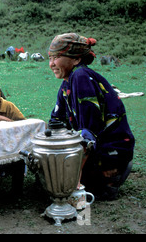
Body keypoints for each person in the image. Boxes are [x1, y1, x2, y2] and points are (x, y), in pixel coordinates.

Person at [48, 33, 135, 200]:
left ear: (75, 59)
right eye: (50, 58)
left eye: (57, 57)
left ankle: (113, 174)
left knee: (65, 185)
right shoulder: (66, 84)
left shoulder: (81, 77)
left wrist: (74, 180)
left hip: (109, 151)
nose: (51, 63)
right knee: (49, 173)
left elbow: (88, 135)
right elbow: (55, 122)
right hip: (92, 147)